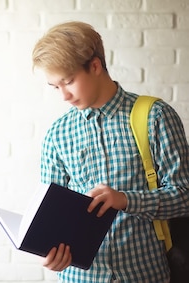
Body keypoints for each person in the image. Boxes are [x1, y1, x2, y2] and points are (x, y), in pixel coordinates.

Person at [31, 21, 189, 282]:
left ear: (95, 66)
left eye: (68, 81)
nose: (64, 96)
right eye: (55, 87)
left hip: (145, 275)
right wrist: (48, 253)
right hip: (80, 278)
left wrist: (125, 199)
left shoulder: (155, 117)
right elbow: (50, 220)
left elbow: (184, 196)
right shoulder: (56, 135)